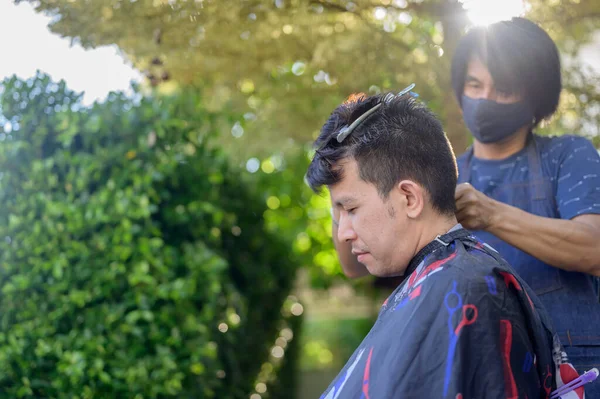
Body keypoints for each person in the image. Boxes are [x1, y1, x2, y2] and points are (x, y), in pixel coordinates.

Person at [332, 18, 600, 395]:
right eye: (475, 85)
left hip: (575, 379)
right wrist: (343, 182)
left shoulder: (568, 157)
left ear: (534, 95)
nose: (485, 98)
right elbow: (351, 266)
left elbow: (594, 248)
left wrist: (492, 215)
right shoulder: (441, 172)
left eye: (503, 89)